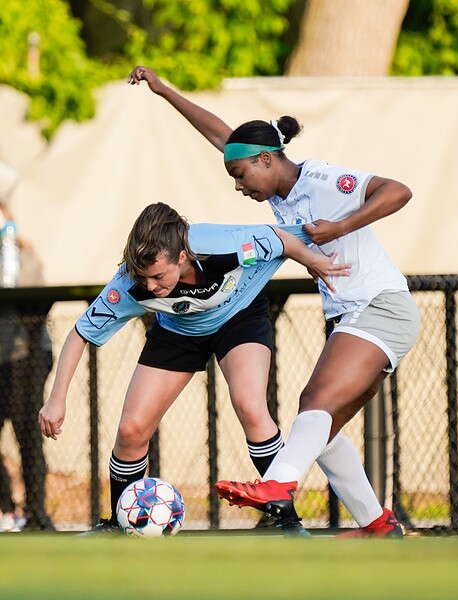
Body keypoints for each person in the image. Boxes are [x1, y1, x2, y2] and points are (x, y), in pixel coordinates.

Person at [127, 66, 420, 537]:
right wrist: (165, 92)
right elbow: (223, 135)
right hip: (353, 312)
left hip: (380, 306)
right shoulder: (279, 192)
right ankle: (378, 525)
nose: (239, 187)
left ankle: (279, 486)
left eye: (241, 175)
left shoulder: (321, 180)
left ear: (266, 159)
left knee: (313, 403)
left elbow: (398, 191)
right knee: (320, 432)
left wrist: (340, 227)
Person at [38, 202, 350, 534]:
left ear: (183, 256)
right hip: (178, 330)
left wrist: (314, 260)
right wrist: (57, 399)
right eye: (144, 278)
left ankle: (285, 519)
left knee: (250, 405)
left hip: (239, 317)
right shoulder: (130, 285)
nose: (152, 287)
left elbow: (282, 238)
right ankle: (118, 522)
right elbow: (80, 334)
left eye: (158, 276)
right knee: (131, 429)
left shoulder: (221, 247)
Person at [0, 172, 55, 532]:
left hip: (24, 357)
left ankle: (35, 512)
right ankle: (5, 507)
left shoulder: (22, 254)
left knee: (28, 435)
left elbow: (32, 296)